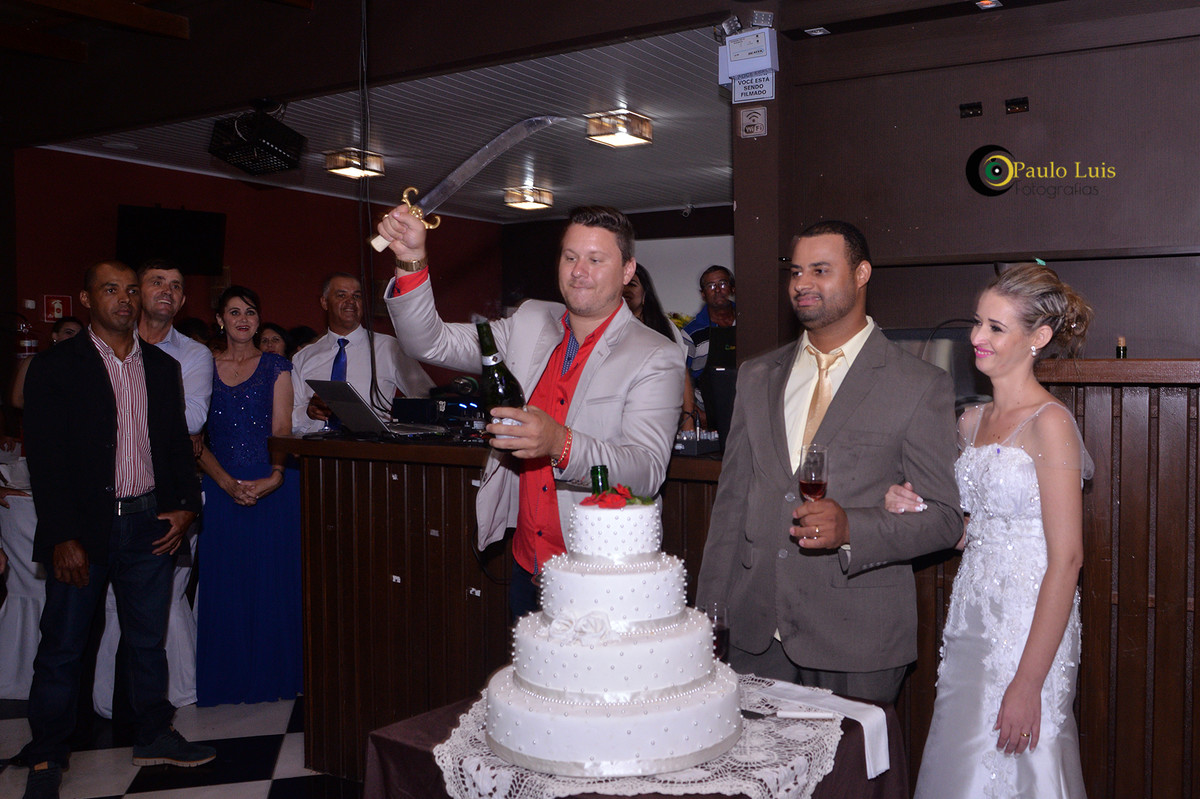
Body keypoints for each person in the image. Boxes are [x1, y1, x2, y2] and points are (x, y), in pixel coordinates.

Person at [695, 220, 962, 705]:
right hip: (754, 636)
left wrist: (852, 528)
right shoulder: (757, 375)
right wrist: (709, 618)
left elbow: (945, 520)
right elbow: (730, 505)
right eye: (796, 271)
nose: (802, 283)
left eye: (820, 270)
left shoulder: (918, 385)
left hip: (855, 639)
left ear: (861, 274)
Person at [377, 205, 683, 619]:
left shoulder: (655, 354)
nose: (579, 271)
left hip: (603, 570)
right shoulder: (531, 321)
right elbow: (429, 343)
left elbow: (646, 471)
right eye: (570, 257)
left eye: (596, 260)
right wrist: (411, 260)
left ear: (628, 270)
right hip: (529, 563)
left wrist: (559, 442)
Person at [885, 263, 1093, 798]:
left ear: (1038, 338)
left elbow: (1067, 559)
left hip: (1029, 624)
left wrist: (1028, 682)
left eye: (996, 327)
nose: (977, 337)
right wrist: (913, 508)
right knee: (962, 761)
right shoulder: (970, 422)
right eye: (978, 322)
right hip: (971, 619)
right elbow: (967, 532)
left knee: (1022, 767)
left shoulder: (1050, 423)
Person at [20, 261, 213, 799]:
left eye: (131, 290)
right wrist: (62, 535)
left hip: (150, 524)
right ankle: (47, 752)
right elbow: (46, 460)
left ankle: (152, 734)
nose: (125, 299)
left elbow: (175, 444)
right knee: (64, 645)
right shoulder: (57, 366)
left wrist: (184, 508)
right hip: (83, 529)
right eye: (111, 289)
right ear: (86, 299)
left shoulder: (162, 366)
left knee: (148, 642)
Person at [93, 260, 214, 719]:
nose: (167, 290)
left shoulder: (191, 355)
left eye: (177, 286)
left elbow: (194, 417)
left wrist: (123, 414)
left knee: (158, 605)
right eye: (157, 282)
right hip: (103, 497)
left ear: (182, 301)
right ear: (135, 293)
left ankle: (161, 710)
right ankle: (106, 701)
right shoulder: (101, 346)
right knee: (103, 605)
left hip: (165, 497)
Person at [195, 286, 302, 706]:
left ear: (259, 320)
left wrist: (275, 476)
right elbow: (193, 436)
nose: (243, 319)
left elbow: (282, 428)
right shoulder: (204, 366)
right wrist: (225, 482)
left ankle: (277, 675)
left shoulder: (276, 365)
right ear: (220, 319)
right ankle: (229, 678)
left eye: (250, 312)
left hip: (273, 485)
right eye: (234, 312)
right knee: (226, 583)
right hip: (220, 484)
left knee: (273, 581)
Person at [291, 273, 434, 434]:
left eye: (356, 296)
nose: (350, 301)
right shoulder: (304, 357)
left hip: (372, 446)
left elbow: (429, 399)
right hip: (316, 447)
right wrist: (307, 413)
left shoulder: (389, 348)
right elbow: (288, 420)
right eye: (341, 295)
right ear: (324, 302)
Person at [623, 263, 697, 429]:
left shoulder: (665, 327)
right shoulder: (606, 329)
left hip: (661, 418)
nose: (625, 290)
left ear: (644, 294)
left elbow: (682, 374)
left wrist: (688, 421)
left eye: (632, 285)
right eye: (621, 285)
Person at [683, 265, 737, 442]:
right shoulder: (691, 334)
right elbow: (680, 379)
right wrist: (696, 413)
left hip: (744, 414)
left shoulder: (749, 324)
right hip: (705, 419)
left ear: (733, 288)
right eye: (711, 286)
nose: (718, 290)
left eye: (722, 283)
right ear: (703, 294)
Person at [9, 316, 83, 410]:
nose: (74, 338)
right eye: (69, 332)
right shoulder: (35, 361)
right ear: (55, 336)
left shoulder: (84, 364)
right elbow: (17, 400)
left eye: (79, 335)